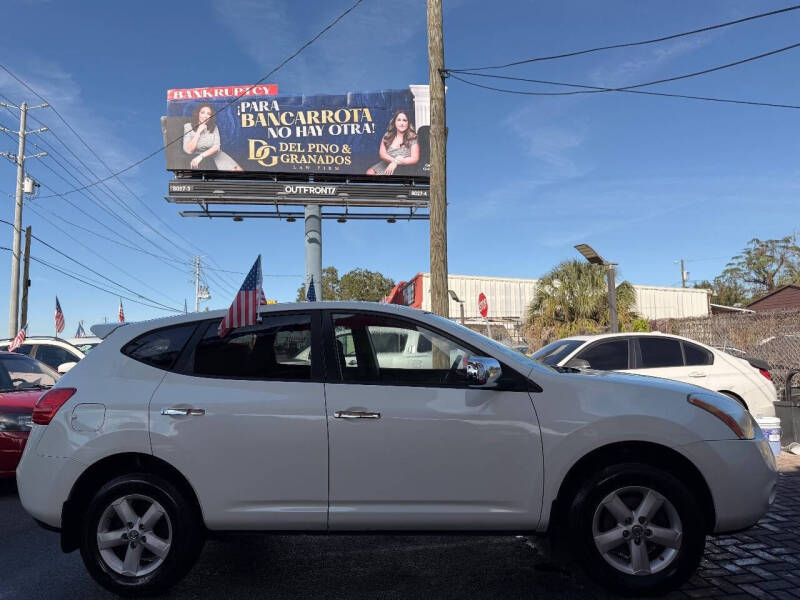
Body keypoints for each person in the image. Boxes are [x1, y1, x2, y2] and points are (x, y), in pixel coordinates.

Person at [183, 103, 243, 171]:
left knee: (238, 170)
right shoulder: (188, 126)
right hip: (199, 156)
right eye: (203, 113)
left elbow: (216, 147)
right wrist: (198, 132)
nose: (205, 116)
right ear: (198, 114)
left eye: (208, 114)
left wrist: (201, 156)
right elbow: (189, 150)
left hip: (215, 155)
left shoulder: (214, 127)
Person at [367, 110, 420, 175]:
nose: (401, 123)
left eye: (404, 120)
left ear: (408, 123)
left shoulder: (412, 137)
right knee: (369, 173)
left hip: (403, 167)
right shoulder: (388, 135)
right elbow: (382, 154)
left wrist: (397, 163)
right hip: (386, 164)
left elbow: (415, 159)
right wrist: (394, 161)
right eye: (399, 120)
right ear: (394, 122)